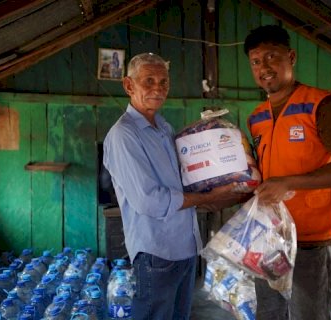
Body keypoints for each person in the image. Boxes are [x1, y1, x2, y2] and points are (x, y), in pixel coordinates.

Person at [103, 52, 241, 320]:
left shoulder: (163, 127)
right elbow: (149, 201)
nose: (158, 88)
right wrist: (209, 196)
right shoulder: (124, 135)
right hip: (157, 252)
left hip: (185, 246)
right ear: (129, 86)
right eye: (149, 81)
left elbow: (183, 177)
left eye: (164, 82)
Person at [244, 25, 331, 320]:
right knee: (270, 313)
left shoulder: (322, 104)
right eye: (256, 61)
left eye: (272, 57)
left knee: (310, 315)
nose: (264, 68)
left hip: (311, 242)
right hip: (270, 237)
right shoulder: (256, 117)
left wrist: (289, 183)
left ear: (291, 57)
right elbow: (264, 174)